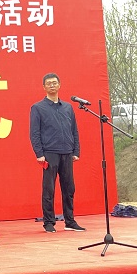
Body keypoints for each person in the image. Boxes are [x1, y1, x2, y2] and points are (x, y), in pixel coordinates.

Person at [29, 73, 84, 232]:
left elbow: (74, 130)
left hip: (67, 152)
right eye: (49, 83)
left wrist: (76, 151)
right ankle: (49, 222)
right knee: (49, 189)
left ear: (59, 85)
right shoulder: (38, 108)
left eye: (54, 83)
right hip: (49, 153)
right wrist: (39, 153)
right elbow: (34, 133)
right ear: (44, 87)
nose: (52, 85)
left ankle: (70, 221)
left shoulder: (67, 107)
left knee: (69, 188)